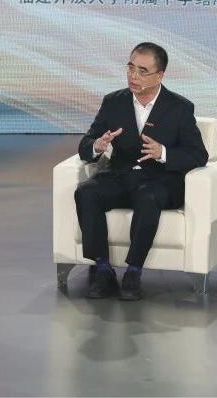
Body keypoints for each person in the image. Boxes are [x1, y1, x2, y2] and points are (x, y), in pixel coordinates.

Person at [73, 42, 209, 301]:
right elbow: (86, 143)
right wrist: (97, 145)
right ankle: (103, 269)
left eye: (142, 71)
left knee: (148, 196)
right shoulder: (113, 102)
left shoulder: (179, 108)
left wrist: (163, 153)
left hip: (160, 181)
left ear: (159, 76)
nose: (133, 76)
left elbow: (198, 155)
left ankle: (133, 271)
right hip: (121, 176)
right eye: (131, 68)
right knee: (86, 192)